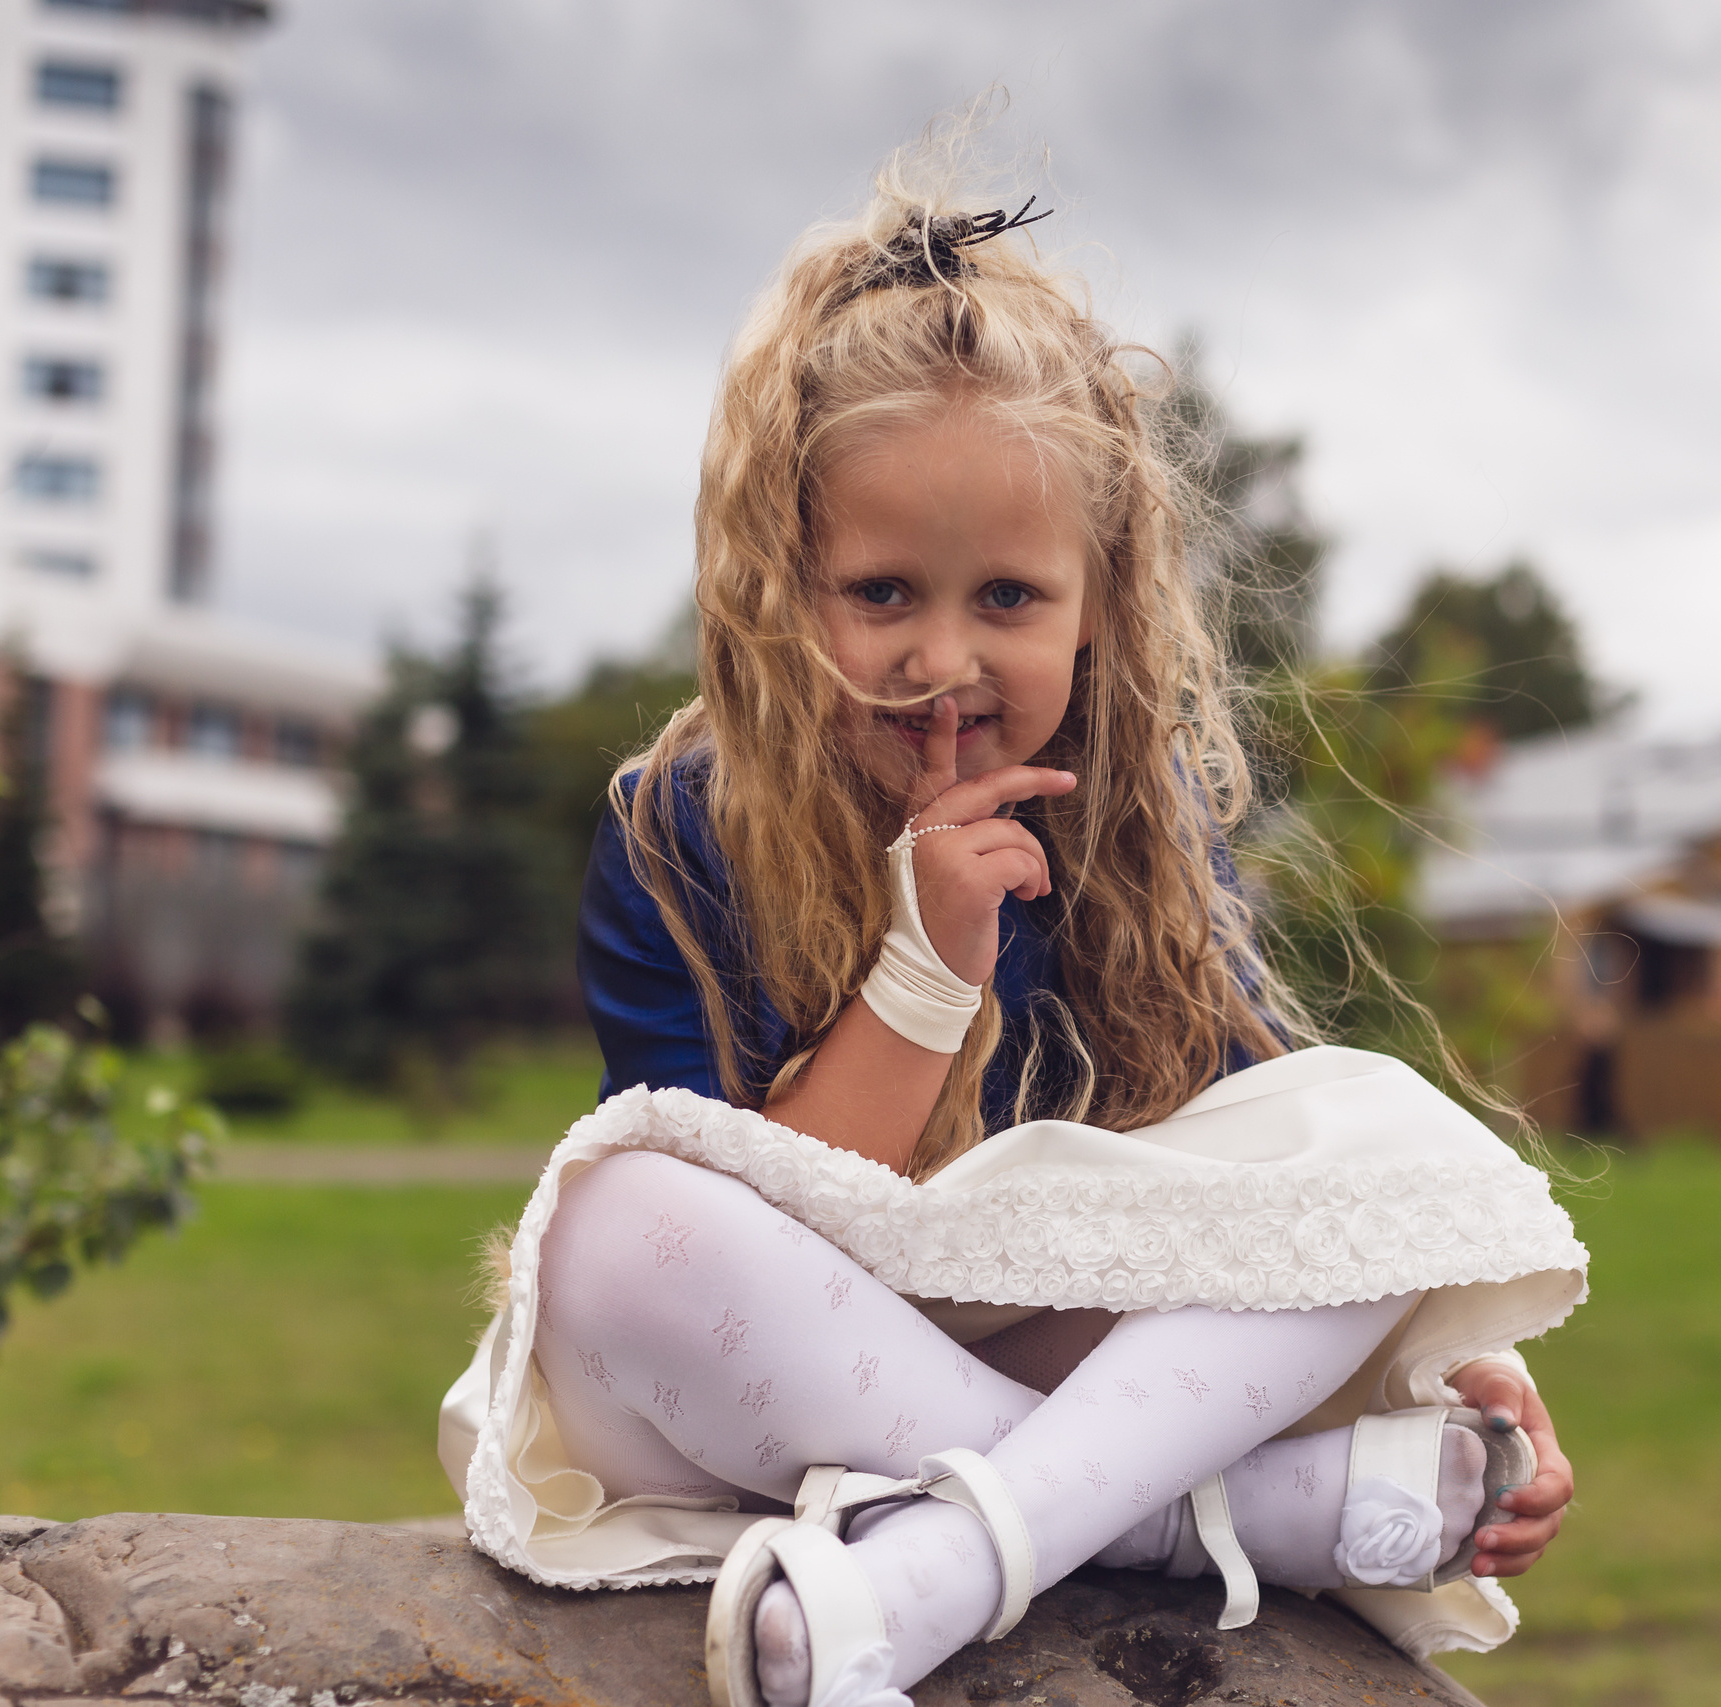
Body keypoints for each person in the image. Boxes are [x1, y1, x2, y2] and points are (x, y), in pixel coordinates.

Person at [439, 144, 1587, 1707]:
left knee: (1378, 1137)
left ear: (1097, 599)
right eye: (884, 592)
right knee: (611, 1221)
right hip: (756, 1373)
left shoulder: (1139, 818)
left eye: (1007, 601)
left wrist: (1443, 1350)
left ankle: (956, 1554)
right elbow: (756, 1217)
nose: (941, 660)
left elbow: (1271, 1159)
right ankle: (1199, 1520)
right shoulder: (682, 825)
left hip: (1038, 1346)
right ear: (789, 585)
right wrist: (923, 970)